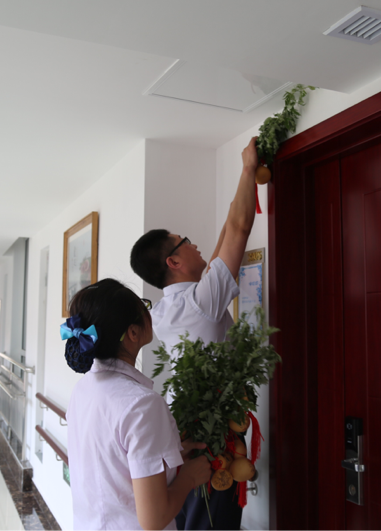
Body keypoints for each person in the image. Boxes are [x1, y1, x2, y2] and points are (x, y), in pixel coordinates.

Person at [129, 136, 259, 531]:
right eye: (185, 242)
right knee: (211, 523)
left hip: (183, 428)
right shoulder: (201, 303)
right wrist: (248, 168)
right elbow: (238, 230)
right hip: (212, 431)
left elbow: (224, 242)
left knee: (192, 519)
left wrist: (240, 187)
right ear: (174, 261)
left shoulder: (167, 308)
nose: (195, 244)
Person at [64, 278, 213, 531]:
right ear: (132, 333)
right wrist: (189, 476)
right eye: (144, 306)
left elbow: (112, 463)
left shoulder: (83, 389)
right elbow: (154, 519)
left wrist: (168, 456)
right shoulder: (141, 405)